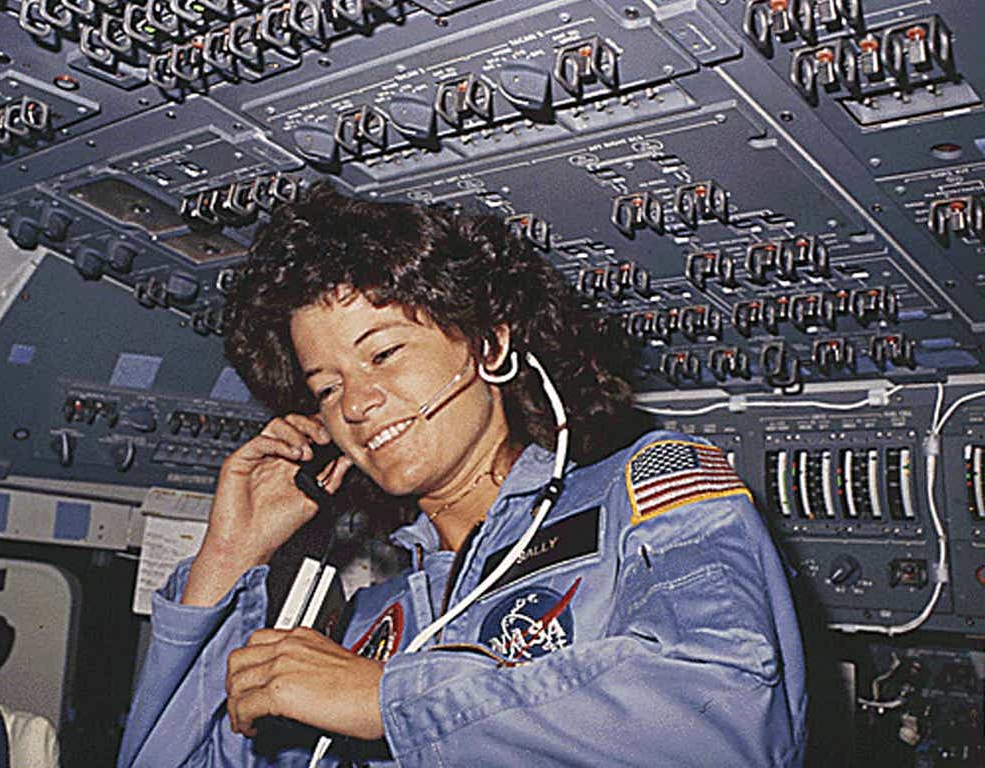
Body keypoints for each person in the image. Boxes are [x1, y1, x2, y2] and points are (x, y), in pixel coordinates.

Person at [117, 183, 807, 767]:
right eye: (326, 387)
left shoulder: (647, 489)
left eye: (383, 354)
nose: (354, 404)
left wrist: (385, 700)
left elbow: (727, 721)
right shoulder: (367, 623)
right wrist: (228, 556)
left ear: (490, 344)